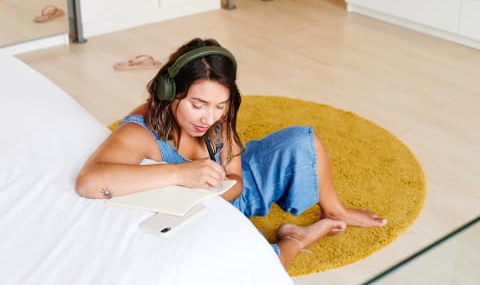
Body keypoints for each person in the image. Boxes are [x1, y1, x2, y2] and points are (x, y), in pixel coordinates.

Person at [76, 37, 387, 269]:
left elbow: (237, 178)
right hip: (200, 217)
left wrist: (225, 183)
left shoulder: (217, 117)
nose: (207, 118)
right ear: (169, 92)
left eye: (219, 107)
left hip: (233, 194)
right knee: (255, 269)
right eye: (197, 105)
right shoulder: (141, 131)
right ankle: (296, 239)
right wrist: (181, 173)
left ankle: (335, 210)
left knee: (305, 140)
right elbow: (89, 182)